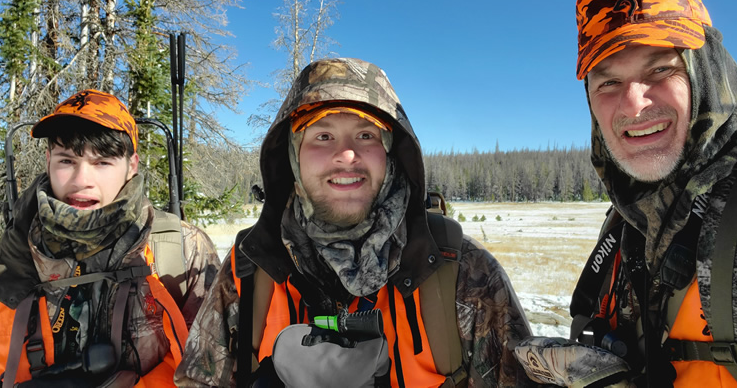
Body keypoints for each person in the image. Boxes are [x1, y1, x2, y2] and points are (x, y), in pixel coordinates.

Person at [174, 58, 533, 387]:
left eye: (366, 135)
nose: (346, 155)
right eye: (322, 136)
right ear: (294, 158)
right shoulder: (248, 270)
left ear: (391, 153)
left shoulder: (465, 274)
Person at [514, 0, 737, 387]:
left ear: (705, 71)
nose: (633, 105)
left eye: (660, 69)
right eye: (608, 83)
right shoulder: (628, 220)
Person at [0, 89, 220, 386]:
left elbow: (214, 372)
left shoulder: (184, 253)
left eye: (102, 162)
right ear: (48, 161)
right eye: (66, 161)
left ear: (132, 166)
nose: (81, 180)